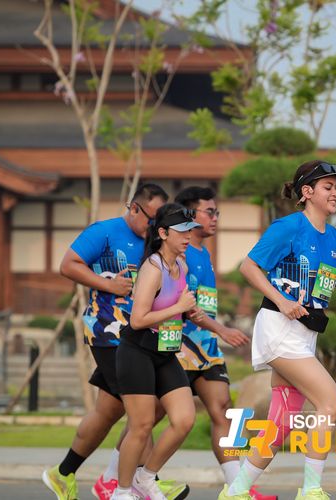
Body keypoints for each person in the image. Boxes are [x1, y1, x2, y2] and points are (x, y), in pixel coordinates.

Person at [219, 160, 336, 500]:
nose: (335, 193)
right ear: (307, 192)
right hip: (279, 328)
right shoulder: (288, 227)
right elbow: (249, 267)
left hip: (305, 335)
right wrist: (282, 299)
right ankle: (311, 490)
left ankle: (236, 491)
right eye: (327, 187)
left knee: (282, 422)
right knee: (331, 403)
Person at [42, 184, 187, 500]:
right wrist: (108, 285)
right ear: (134, 208)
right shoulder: (104, 232)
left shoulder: (156, 244)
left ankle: (64, 473)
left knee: (108, 412)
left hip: (146, 337)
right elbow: (68, 265)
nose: (154, 226)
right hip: (109, 334)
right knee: (144, 412)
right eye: (151, 218)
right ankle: (142, 479)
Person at [173, 187, 275, 500]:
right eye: (210, 212)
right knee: (150, 417)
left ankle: (238, 488)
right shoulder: (180, 254)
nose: (216, 218)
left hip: (207, 349)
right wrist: (223, 330)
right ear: (189, 215)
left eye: (217, 212)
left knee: (222, 411)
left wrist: (216, 334)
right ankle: (126, 477)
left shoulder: (203, 253)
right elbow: (186, 307)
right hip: (178, 348)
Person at [111, 203, 203, 500]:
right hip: (137, 350)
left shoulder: (182, 266)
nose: (188, 236)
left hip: (165, 349)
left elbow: (176, 306)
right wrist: (179, 306)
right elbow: (137, 320)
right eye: (182, 231)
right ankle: (121, 492)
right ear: (163, 233)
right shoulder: (153, 268)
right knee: (141, 426)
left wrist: (188, 311)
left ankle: (146, 477)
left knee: (184, 419)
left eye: (190, 230)